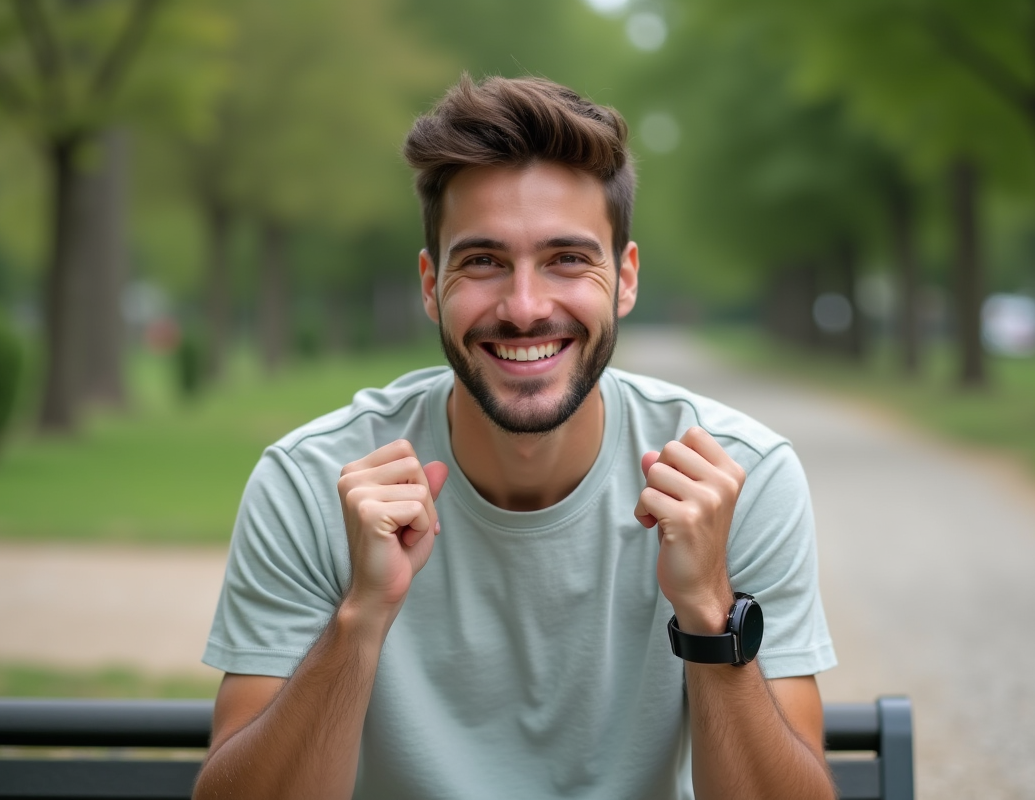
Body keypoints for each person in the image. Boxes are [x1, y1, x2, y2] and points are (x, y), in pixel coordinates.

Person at [193, 75, 837, 800]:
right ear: (430, 285)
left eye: (567, 259)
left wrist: (710, 610)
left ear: (624, 279)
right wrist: (361, 619)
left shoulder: (737, 480)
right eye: (483, 261)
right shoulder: (314, 483)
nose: (525, 308)